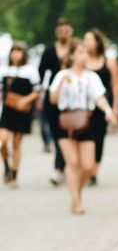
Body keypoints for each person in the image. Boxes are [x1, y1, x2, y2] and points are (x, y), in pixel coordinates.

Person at [49, 37, 116, 214]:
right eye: (80, 52)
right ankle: (76, 202)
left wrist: (108, 111)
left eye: (85, 51)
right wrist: (63, 81)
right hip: (66, 121)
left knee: (88, 166)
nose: (84, 55)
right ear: (71, 55)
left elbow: (99, 97)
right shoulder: (62, 75)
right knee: (72, 163)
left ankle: (76, 192)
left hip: (86, 121)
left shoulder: (91, 77)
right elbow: (53, 99)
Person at [0, 42, 40, 187]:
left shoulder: (30, 70)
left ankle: (14, 175)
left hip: (22, 110)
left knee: (17, 143)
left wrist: (25, 100)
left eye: (19, 51)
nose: (16, 54)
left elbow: (37, 89)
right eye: (14, 51)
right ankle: (6, 165)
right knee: (2, 141)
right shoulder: (4, 69)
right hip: (8, 109)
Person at [39, 17, 73, 185]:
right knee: (56, 134)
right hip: (53, 98)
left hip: (72, 98)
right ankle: (61, 167)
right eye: (61, 31)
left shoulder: (75, 49)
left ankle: (60, 168)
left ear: (71, 31)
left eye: (66, 30)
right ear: (56, 32)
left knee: (66, 133)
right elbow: (41, 73)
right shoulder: (49, 51)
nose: (64, 33)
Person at [83, 29, 118, 186]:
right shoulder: (82, 60)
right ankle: (86, 166)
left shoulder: (109, 61)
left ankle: (94, 170)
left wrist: (116, 106)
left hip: (103, 105)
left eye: (89, 39)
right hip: (84, 105)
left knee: (99, 138)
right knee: (86, 136)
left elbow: (115, 84)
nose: (86, 42)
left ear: (97, 42)